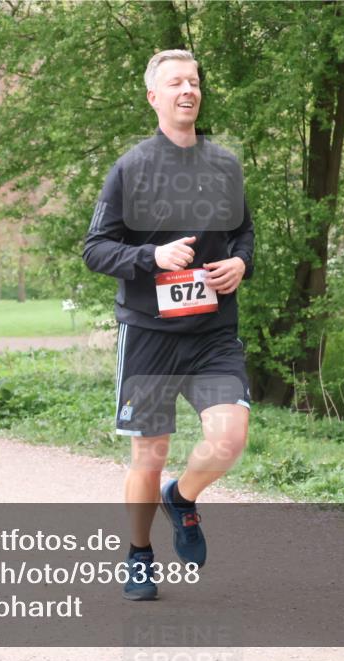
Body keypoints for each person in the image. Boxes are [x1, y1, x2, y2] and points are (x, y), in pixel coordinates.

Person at [83, 49, 254, 601]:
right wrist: (150, 259)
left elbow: (244, 233)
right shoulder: (131, 168)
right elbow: (96, 249)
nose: (188, 90)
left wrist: (241, 263)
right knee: (147, 454)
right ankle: (138, 554)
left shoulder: (225, 165)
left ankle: (180, 498)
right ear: (154, 96)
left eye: (195, 82)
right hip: (151, 335)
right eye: (176, 82)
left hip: (211, 332)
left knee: (229, 439)